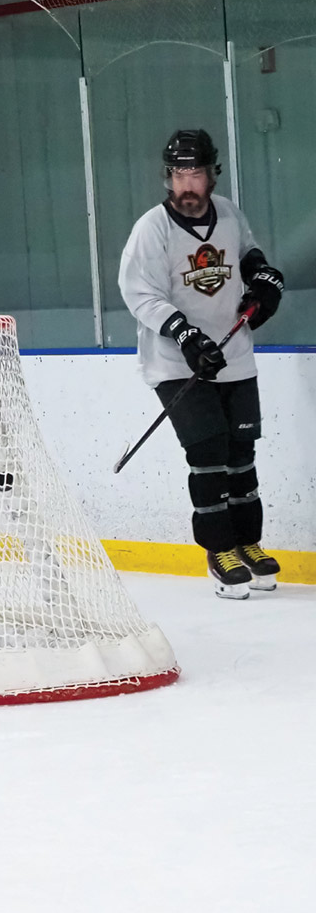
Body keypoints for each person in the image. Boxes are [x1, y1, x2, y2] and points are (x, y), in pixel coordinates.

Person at [118, 129, 284, 600]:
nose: (187, 184)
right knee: (209, 454)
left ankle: (249, 543)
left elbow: (247, 253)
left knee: (242, 453)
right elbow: (140, 293)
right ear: (167, 178)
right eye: (178, 175)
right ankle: (219, 551)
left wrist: (263, 278)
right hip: (178, 364)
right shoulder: (152, 228)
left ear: (213, 174)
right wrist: (185, 335)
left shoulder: (228, 212)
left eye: (196, 173)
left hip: (233, 355)